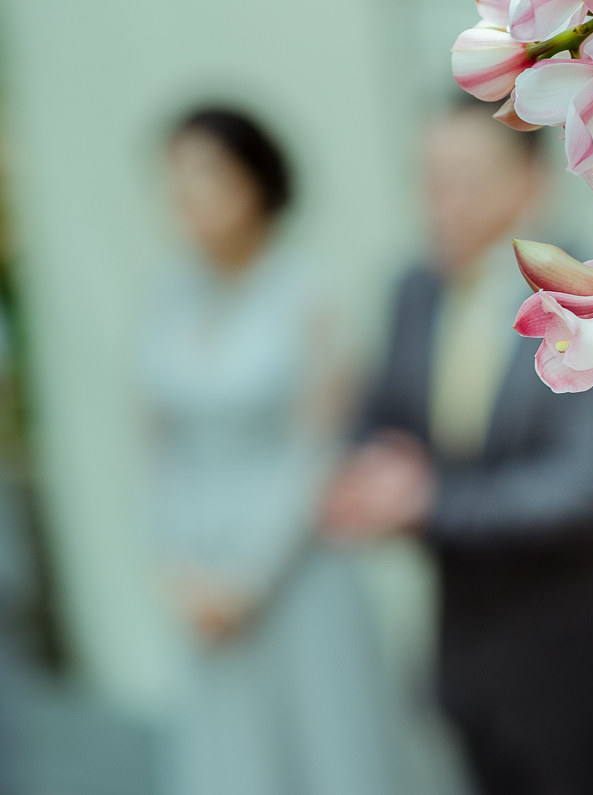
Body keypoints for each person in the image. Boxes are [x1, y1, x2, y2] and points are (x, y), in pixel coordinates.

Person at [322, 100, 593, 795]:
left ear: (530, 179)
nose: (441, 202)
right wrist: (366, 467)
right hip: (464, 656)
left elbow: (587, 484)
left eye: (464, 180)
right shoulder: (413, 289)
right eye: (429, 178)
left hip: (573, 664)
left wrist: (428, 502)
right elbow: (383, 414)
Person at [141, 107, 395, 795]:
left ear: (253, 181)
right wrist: (176, 565)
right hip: (200, 571)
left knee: (325, 751)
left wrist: (246, 581)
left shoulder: (306, 293)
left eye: (207, 173)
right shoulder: (164, 298)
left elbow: (318, 447)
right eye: (175, 176)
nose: (188, 193)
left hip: (294, 567)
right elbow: (157, 444)